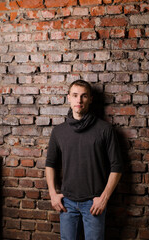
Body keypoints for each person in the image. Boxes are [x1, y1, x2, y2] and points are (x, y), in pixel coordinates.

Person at [45, 80, 123, 240]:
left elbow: (117, 166)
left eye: (83, 96)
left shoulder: (105, 129)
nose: (79, 100)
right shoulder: (59, 131)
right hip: (67, 203)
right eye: (75, 95)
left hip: (94, 203)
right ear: (68, 98)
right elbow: (50, 164)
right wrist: (53, 194)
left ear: (91, 99)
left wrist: (104, 198)